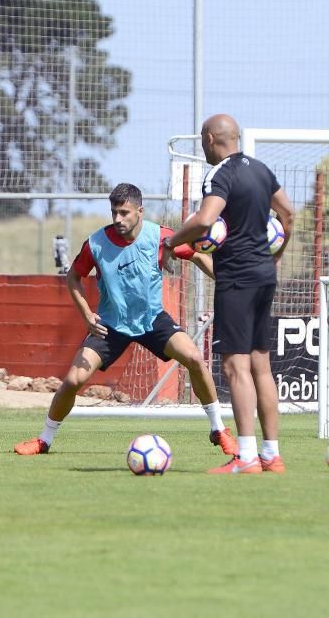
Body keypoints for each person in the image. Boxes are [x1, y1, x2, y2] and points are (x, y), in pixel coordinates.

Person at [14, 183, 238, 458]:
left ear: (140, 211)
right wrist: (86, 313)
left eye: (124, 212)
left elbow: (197, 256)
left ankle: (219, 429)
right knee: (73, 380)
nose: (118, 219)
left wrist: (227, 281)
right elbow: (73, 277)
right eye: (114, 212)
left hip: (152, 319)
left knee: (193, 358)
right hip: (110, 324)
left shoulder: (161, 237)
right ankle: (44, 440)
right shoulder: (96, 243)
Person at [164, 114, 295, 474]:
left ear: (209, 138)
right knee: (261, 367)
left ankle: (247, 457)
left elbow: (205, 220)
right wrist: (275, 259)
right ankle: (272, 455)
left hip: (236, 279)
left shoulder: (219, 173)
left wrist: (172, 242)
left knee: (235, 367)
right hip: (264, 276)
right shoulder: (261, 170)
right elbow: (288, 214)